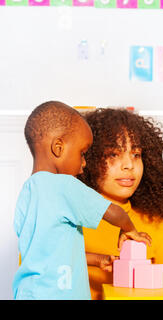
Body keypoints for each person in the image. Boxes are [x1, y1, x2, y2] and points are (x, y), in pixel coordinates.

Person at [13, 101, 151, 300]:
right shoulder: (65, 185)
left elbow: (47, 254)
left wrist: (96, 259)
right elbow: (113, 212)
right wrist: (129, 230)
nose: (85, 164)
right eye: (82, 153)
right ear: (58, 148)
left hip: (29, 293)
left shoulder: (27, 192)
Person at [78, 107, 163, 300]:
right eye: (113, 154)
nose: (129, 165)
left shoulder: (153, 221)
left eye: (136, 154)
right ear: (89, 158)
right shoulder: (69, 219)